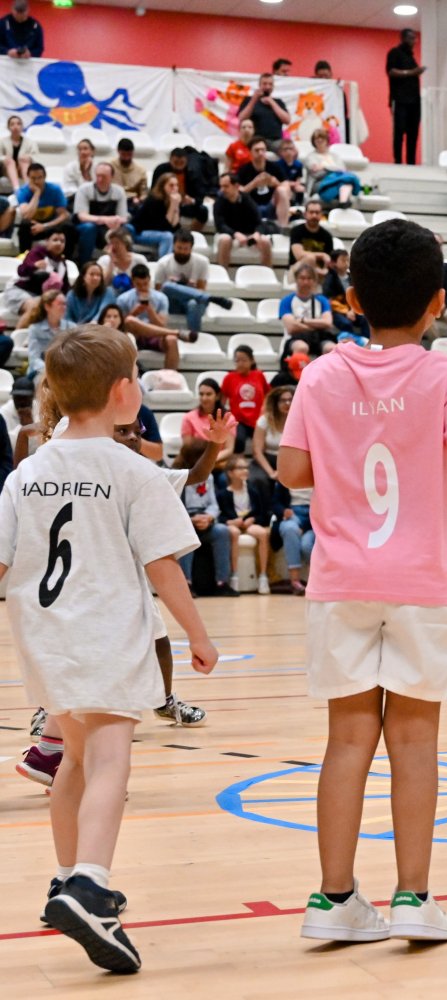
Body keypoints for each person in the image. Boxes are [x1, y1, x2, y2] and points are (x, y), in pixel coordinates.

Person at [278, 218, 447, 940]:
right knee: (415, 741)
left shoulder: (321, 375)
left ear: (350, 299)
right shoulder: (444, 376)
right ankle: (414, 898)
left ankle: (332, 901)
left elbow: (292, 473)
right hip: (422, 581)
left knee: (346, 739)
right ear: (436, 301)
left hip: (343, 579)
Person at [2, 324, 216, 974]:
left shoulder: (27, 472)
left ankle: (66, 879)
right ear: (124, 391)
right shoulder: (133, 471)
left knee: (71, 762)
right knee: (111, 762)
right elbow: (163, 567)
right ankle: (91, 885)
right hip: (106, 632)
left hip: (45, 636)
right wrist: (199, 637)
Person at [173, 439, 237, 596]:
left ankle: (222, 582)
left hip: (205, 519)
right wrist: (190, 519)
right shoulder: (176, 476)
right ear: (194, 457)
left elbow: (214, 505)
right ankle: (186, 584)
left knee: (222, 531)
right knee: (186, 534)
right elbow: (172, 507)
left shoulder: (208, 476)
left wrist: (208, 517)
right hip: (184, 520)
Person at [155, 229, 226, 342]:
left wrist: (190, 288)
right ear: (173, 246)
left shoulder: (202, 262)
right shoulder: (163, 263)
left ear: (191, 248)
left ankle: (194, 338)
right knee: (167, 286)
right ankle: (209, 298)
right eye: (179, 248)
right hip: (172, 303)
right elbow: (158, 293)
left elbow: (201, 289)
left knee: (193, 303)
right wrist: (175, 287)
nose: (182, 252)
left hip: (194, 302)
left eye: (185, 249)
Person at [217, 454, 274, 594]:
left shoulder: (253, 491)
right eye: (240, 468)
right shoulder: (223, 494)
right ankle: (234, 575)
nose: (245, 470)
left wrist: (252, 519)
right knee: (234, 533)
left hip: (248, 524)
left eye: (246, 467)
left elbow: (260, 512)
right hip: (233, 524)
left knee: (262, 533)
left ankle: (263, 576)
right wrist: (231, 522)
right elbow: (221, 515)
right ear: (230, 473)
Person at [213, 171, 274, 267]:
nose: (222, 190)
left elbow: (259, 222)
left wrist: (257, 234)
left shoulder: (247, 200)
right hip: (229, 234)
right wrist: (235, 234)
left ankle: (268, 273)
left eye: (226, 186)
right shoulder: (219, 202)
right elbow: (220, 225)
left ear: (236, 186)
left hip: (248, 234)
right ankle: (223, 274)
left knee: (265, 241)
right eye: (221, 186)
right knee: (225, 239)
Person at [72, 163, 128, 265]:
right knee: (89, 228)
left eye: (104, 177)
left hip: (110, 226)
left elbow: (123, 217)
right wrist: (105, 220)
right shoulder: (84, 189)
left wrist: (116, 221)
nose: (100, 179)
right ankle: (84, 264)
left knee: (129, 229)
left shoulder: (119, 191)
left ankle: (124, 262)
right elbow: (82, 216)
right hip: (87, 226)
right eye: (98, 176)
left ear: (112, 177)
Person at [280, 262, 336, 356]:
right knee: (301, 347)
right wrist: (317, 325)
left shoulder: (322, 300)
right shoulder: (287, 300)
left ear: (314, 281)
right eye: (302, 278)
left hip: (319, 338)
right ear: (296, 280)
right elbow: (291, 328)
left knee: (332, 348)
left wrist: (302, 320)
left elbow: (327, 323)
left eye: (309, 278)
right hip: (295, 338)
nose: (306, 282)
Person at [15, 161, 70, 253]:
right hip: (33, 226)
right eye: (33, 178)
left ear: (45, 177)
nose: (36, 181)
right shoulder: (23, 191)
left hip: (51, 225)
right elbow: (26, 215)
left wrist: (44, 226)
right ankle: (25, 257)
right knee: (24, 225)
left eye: (39, 178)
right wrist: (37, 193)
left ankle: (67, 259)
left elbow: (63, 215)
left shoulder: (55, 190)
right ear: (28, 178)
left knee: (68, 227)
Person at [222, 345, 269, 454]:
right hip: (239, 420)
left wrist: (264, 409)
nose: (240, 363)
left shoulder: (259, 375)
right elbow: (222, 400)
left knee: (265, 442)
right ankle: (238, 464)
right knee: (239, 440)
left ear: (252, 361)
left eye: (244, 360)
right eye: (237, 360)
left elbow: (268, 394)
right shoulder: (229, 377)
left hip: (257, 419)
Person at [387, 28, 424, 164]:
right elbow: (391, 72)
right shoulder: (394, 53)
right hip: (400, 99)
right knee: (399, 132)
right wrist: (411, 72)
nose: (413, 41)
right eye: (410, 38)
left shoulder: (411, 57)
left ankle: (411, 162)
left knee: (413, 133)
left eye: (414, 38)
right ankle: (397, 161)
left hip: (414, 101)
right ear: (403, 38)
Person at [16, 289, 73, 377]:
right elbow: (34, 359)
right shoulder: (35, 329)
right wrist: (50, 371)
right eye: (60, 304)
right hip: (41, 372)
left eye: (65, 304)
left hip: (65, 372)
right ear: (47, 307)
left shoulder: (72, 328)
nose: (64, 307)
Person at [236, 137, 291, 228]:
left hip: (272, 204)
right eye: (257, 150)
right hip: (251, 206)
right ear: (250, 152)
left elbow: (287, 189)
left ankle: (283, 227)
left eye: (263, 150)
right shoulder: (244, 170)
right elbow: (237, 193)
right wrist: (254, 184)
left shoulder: (275, 167)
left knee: (282, 190)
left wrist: (275, 183)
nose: (260, 153)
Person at [128, 172, 183, 261]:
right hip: (138, 232)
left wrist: (176, 207)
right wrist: (173, 205)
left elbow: (175, 227)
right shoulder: (154, 200)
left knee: (177, 236)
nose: (175, 188)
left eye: (176, 185)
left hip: (156, 232)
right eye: (171, 185)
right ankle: (163, 264)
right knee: (168, 236)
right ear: (162, 187)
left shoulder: (173, 199)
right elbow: (164, 227)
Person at [181, 377, 237, 460]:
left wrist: (208, 461)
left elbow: (229, 449)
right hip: (194, 463)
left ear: (217, 396)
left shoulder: (228, 418)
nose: (204, 398)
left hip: (218, 462)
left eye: (208, 394)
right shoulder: (188, 417)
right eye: (201, 394)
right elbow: (187, 447)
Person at [304, 129, 363, 207]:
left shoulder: (335, 156)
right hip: (320, 183)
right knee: (348, 179)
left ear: (327, 140)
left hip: (337, 180)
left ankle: (343, 202)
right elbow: (316, 173)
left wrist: (324, 167)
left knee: (345, 181)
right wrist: (333, 169)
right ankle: (344, 200)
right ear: (314, 142)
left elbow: (342, 169)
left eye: (322, 138)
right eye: (317, 139)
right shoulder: (310, 157)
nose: (320, 141)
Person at [252, 385, 292, 489]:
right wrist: (272, 473)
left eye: (290, 400)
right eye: (283, 400)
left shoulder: (299, 421)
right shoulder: (264, 420)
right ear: (275, 403)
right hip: (267, 460)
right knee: (260, 480)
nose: (287, 403)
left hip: (290, 461)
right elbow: (257, 452)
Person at [237, 73, 290, 151]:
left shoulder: (278, 102)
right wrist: (254, 100)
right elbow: (241, 118)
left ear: (273, 86)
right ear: (259, 85)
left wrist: (272, 102)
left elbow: (287, 120)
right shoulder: (249, 100)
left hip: (275, 141)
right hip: (254, 139)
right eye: (264, 84)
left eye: (270, 84)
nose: (267, 87)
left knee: (290, 150)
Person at [66, 260, 115, 325]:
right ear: (83, 277)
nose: (95, 278)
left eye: (98, 275)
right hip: (75, 330)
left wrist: (92, 324)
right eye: (92, 274)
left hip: (98, 327)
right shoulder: (71, 295)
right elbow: (66, 317)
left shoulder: (108, 292)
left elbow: (103, 311)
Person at [290, 198, 335, 269]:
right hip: (297, 271)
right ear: (305, 214)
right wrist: (322, 255)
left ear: (321, 215)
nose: (314, 215)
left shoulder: (327, 236)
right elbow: (298, 255)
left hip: (319, 273)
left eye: (317, 212)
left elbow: (328, 260)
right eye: (311, 212)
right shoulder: (296, 231)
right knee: (310, 259)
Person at [108, 138, 148, 209]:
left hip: (133, 203)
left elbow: (144, 193)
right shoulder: (109, 167)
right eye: (123, 154)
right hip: (113, 201)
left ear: (133, 153)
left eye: (129, 154)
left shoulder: (141, 171)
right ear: (118, 151)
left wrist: (139, 200)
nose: (126, 158)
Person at [1, 113, 34, 191]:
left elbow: (36, 156)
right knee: (10, 161)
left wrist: (29, 157)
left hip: (22, 169)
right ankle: (17, 189)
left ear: (22, 126)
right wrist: (4, 158)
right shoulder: (2, 141)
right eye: (12, 124)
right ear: (8, 127)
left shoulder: (30, 142)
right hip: (6, 170)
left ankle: (28, 188)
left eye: (18, 124)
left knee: (24, 160)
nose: (15, 127)